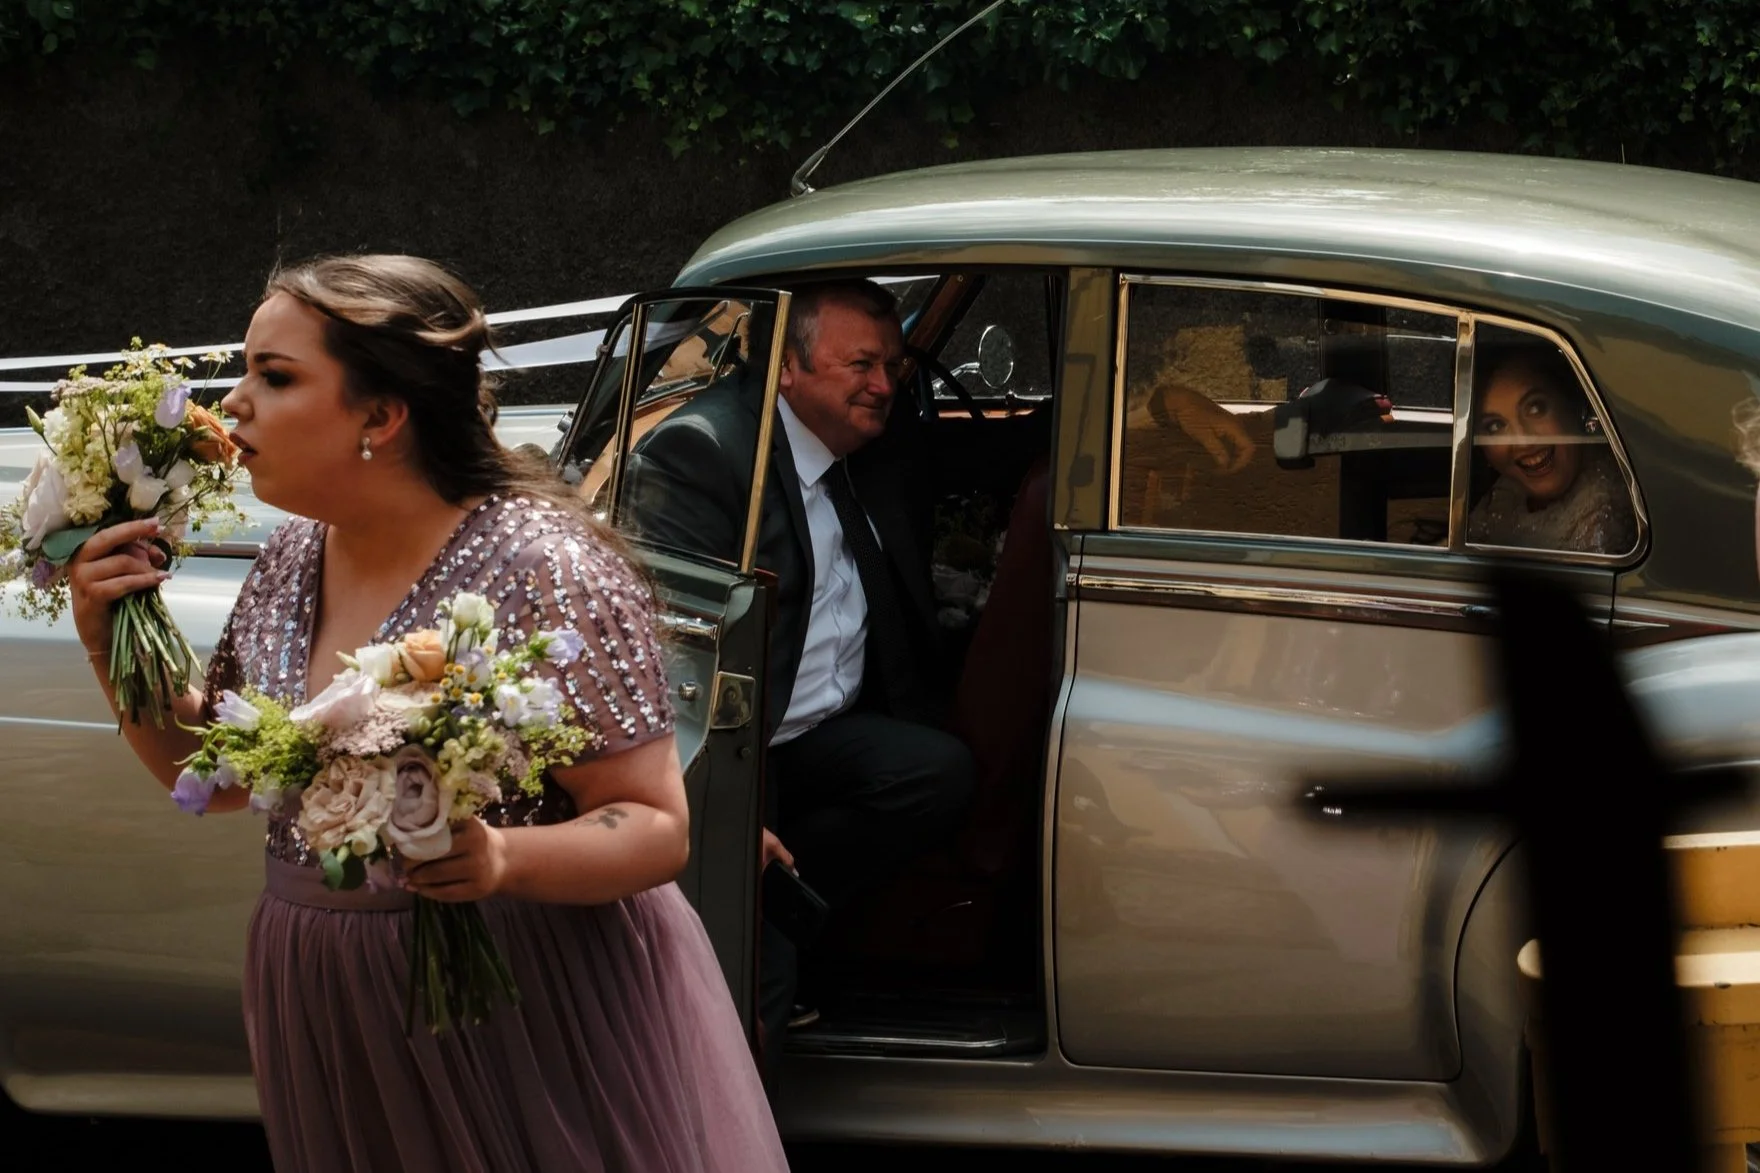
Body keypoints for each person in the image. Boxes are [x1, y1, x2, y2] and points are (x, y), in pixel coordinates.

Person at [65, 255, 788, 1173]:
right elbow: (213, 780)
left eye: (275, 376)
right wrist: (108, 636)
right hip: (333, 1004)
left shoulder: (547, 569)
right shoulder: (291, 557)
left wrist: (500, 858)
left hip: (516, 1006)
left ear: (381, 415)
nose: (234, 403)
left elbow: (654, 826)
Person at [622, 279, 975, 1081]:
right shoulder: (708, 455)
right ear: (787, 367)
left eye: (893, 365)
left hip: (814, 729)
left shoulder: (864, 439)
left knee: (934, 772)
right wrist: (724, 818)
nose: (883, 385)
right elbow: (667, 658)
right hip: (732, 749)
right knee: (757, 981)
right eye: (860, 364)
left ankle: (792, 892)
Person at [1467, 346, 1637, 555]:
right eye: (1495, 427)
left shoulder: (1605, 517)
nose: (1523, 442)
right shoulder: (1507, 492)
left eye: (1535, 408)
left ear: (1573, 403)